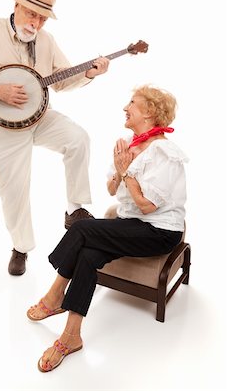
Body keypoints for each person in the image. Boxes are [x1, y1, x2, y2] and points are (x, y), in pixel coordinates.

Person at [0, 0, 109, 275]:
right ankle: (21, 247)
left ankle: (76, 210)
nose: (36, 22)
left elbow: (60, 80)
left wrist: (89, 73)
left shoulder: (46, 41)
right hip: (1, 126)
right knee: (14, 190)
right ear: (17, 5)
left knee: (78, 138)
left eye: (42, 18)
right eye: (31, 13)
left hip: (40, 118)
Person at [26, 84, 188, 372]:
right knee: (88, 254)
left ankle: (54, 295)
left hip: (159, 232)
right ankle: (71, 336)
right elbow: (112, 190)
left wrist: (125, 172)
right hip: (130, 224)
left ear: (150, 112)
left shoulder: (164, 152)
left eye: (132, 103)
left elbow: (146, 206)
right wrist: (119, 171)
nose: (125, 108)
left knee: (81, 228)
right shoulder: (128, 143)